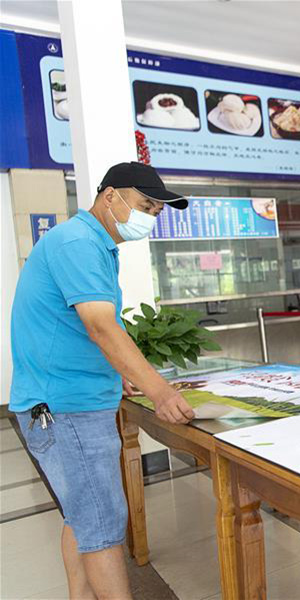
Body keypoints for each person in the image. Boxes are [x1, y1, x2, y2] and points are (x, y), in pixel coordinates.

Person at [10, 162, 197, 599]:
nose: (149, 217)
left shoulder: (94, 244)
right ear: (110, 195)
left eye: (156, 211)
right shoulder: (78, 242)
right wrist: (159, 390)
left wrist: (119, 373)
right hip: (66, 408)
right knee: (102, 523)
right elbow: (101, 327)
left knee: (82, 516)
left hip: (70, 401)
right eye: (145, 205)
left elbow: (78, 329)